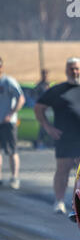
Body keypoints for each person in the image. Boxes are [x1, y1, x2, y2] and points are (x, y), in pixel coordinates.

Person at [34, 58, 80, 214]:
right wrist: (48, 127)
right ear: (66, 71)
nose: (75, 72)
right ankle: (59, 202)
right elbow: (39, 108)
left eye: (77, 68)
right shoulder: (57, 91)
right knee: (62, 170)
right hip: (65, 139)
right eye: (71, 69)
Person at [0, 57, 26, 189]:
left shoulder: (8, 81)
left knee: (12, 150)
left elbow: (21, 98)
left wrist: (10, 113)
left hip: (8, 122)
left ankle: (14, 177)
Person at [35, 69, 51, 149]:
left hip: (48, 109)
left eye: (46, 74)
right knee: (42, 126)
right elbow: (36, 97)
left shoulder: (48, 84)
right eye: (44, 74)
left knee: (48, 125)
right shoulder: (39, 85)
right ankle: (39, 143)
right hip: (41, 109)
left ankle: (47, 143)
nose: (45, 75)